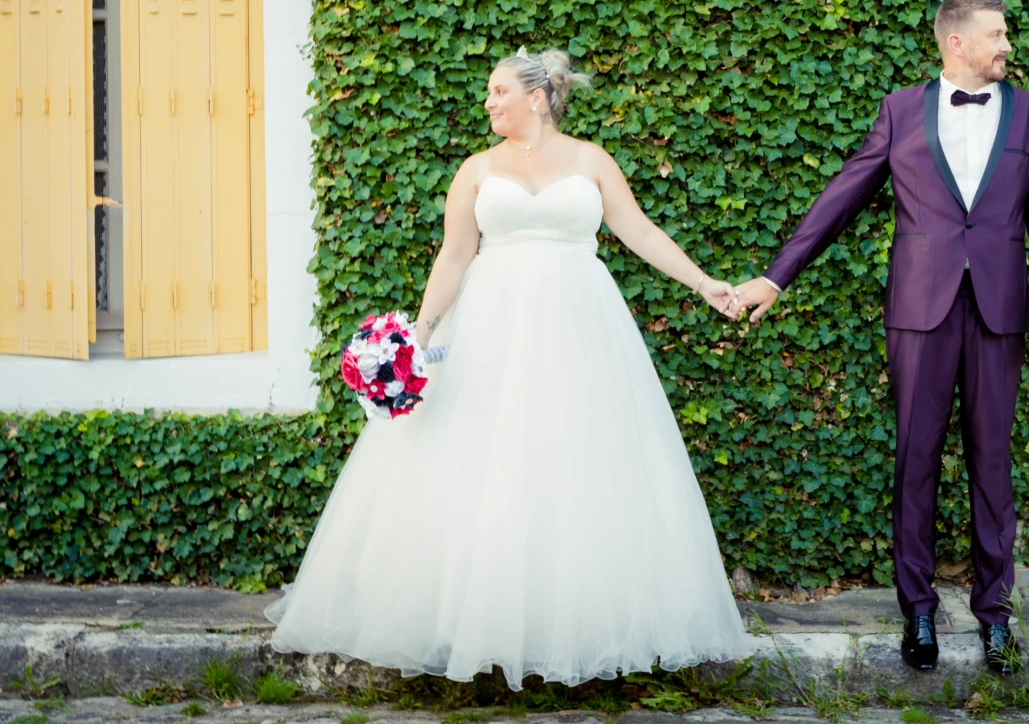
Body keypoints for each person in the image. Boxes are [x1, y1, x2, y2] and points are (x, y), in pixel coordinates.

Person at [267, 48, 753, 685]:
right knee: (483, 459)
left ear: (538, 97)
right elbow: (454, 255)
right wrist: (420, 333)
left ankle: (571, 623)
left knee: (577, 461)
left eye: (498, 92)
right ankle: (478, 621)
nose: (489, 102)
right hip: (492, 327)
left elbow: (640, 231)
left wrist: (704, 282)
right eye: (489, 93)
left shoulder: (591, 160)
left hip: (580, 325)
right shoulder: (477, 169)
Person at [733, 0, 1029, 676]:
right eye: (997, 34)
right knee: (915, 459)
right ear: (956, 43)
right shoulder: (899, 111)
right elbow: (842, 196)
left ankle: (995, 617)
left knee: (993, 466)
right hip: (920, 309)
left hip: (1001, 310)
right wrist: (776, 277)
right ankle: (917, 609)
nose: (1008, 44)